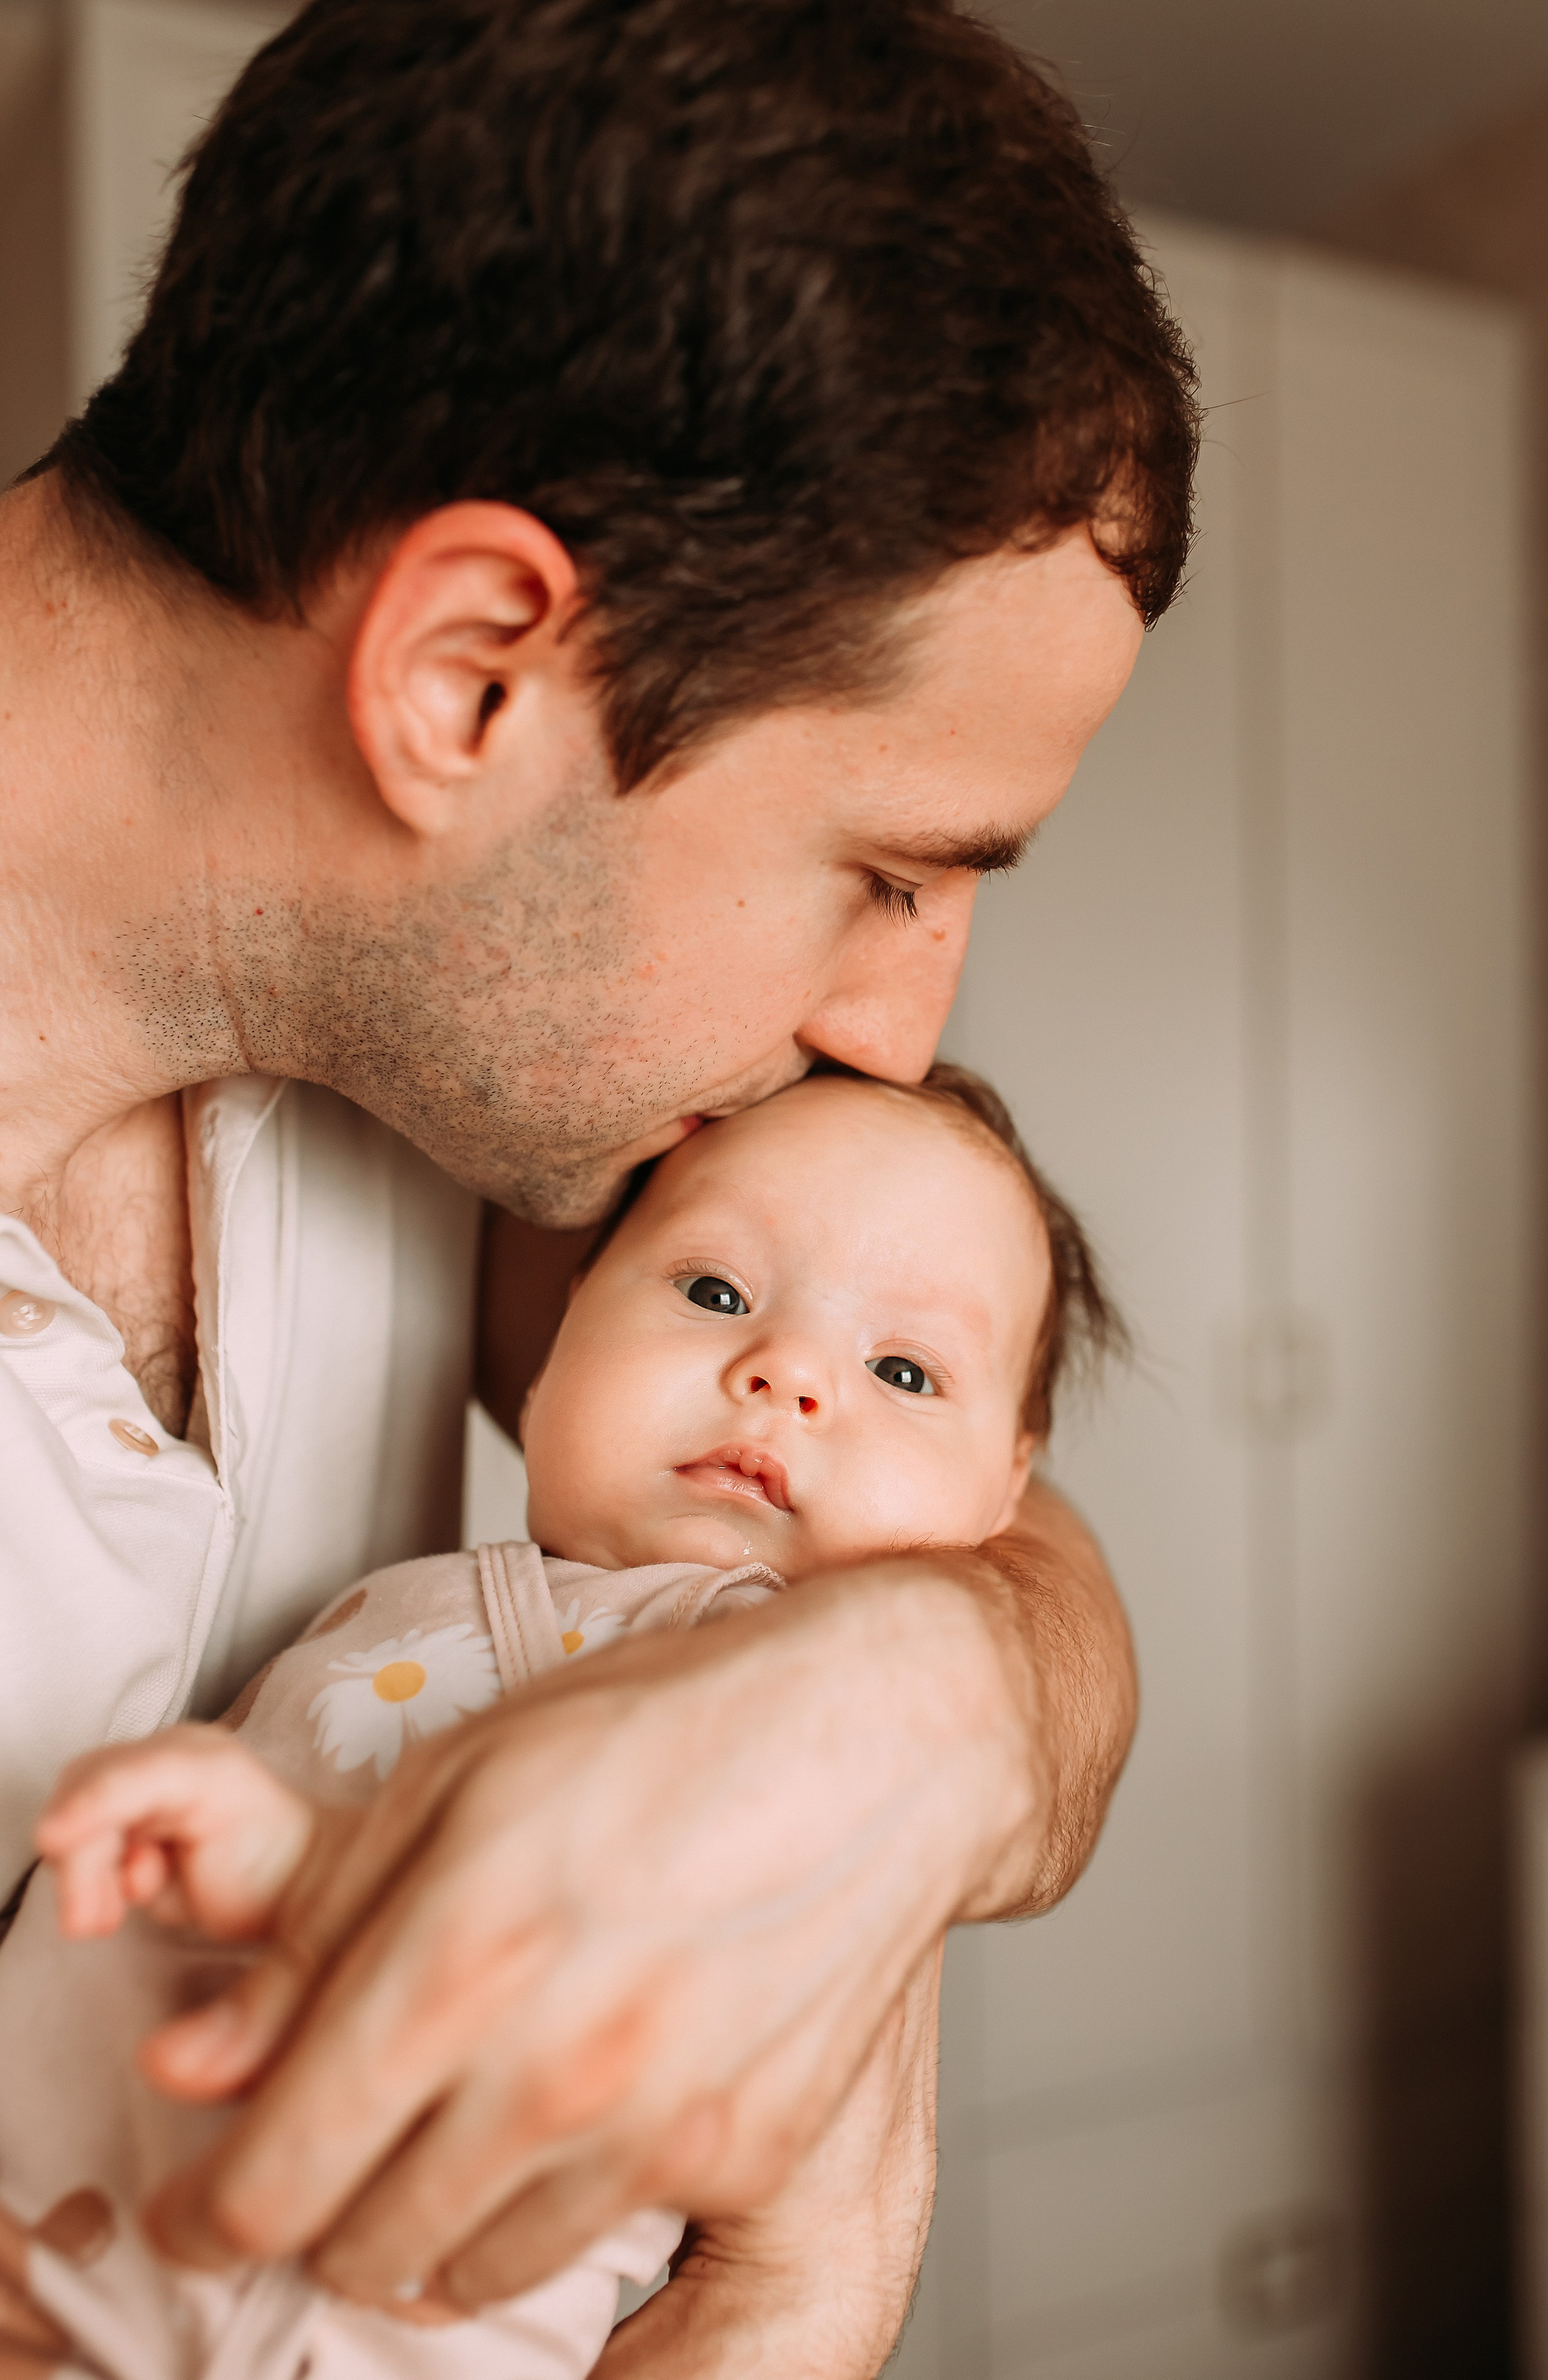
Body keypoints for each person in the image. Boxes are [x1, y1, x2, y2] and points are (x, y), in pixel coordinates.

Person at [0, 0, 1197, 2363]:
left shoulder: (432, 1040)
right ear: (468, 680)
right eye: (890, 870)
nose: (897, 1035)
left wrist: (910, 1719)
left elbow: (967, 1492)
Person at [4, 1065, 1121, 2378]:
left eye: (903, 1370)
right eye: (716, 1294)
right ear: (560, 1329)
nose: (790, 1374)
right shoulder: (416, 1599)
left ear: (1003, 1497)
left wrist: (294, 1868)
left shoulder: (740, 1686)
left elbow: (571, 1928)